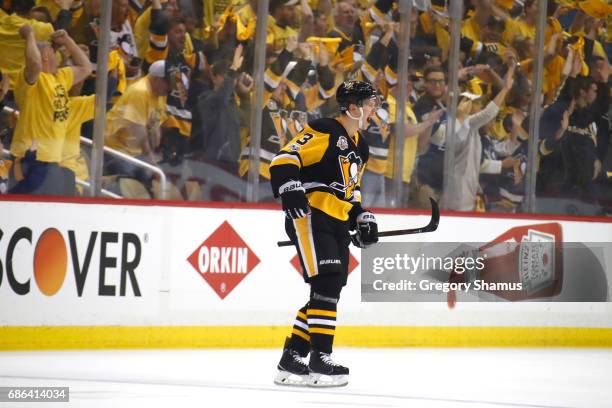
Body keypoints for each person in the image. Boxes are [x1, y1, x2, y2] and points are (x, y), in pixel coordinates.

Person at [269, 80, 380, 387]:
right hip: (310, 215)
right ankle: (320, 359)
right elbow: (284, 159)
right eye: (370, 104)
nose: (374, 110)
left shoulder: (362, 146)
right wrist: (290, 188)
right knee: (327, 283)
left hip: (336, 220)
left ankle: (292, 358)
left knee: (329, 288)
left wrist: (362, 217)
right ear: (353, 107)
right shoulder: (325, 130)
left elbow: (351, 191)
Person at [9, 26, 92, 195]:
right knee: (26, 213)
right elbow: (34, 64)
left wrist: (68, 41)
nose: (58, 55)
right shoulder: (31, 79)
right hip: (29, 159)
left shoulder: (60, 77)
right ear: (46, 57)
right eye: (54, 52)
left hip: (53, 160)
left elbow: (86, 68)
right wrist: (30, 35)